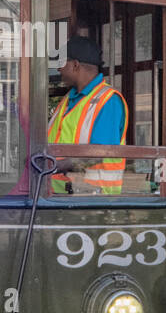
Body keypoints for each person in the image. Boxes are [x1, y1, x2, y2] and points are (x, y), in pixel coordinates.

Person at [47, 34, 128, 194]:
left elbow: (100, 153)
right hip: (60, 196)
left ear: (75, 65)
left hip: (95, 201)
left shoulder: (108, 101)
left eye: (62, 63)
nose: (59, 69)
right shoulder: (67, 100)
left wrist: (55, 165)